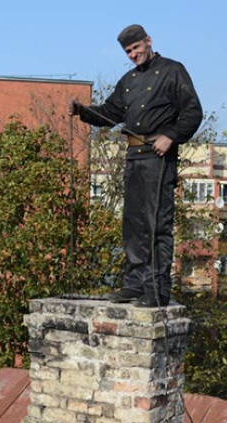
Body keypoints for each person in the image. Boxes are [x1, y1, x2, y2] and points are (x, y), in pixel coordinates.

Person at [69, 24, 202, 307]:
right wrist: (83, 112)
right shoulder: (128, 81)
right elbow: (109, 114)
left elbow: (193, 111)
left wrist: (171, 137)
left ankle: (156, 290)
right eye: (128, 51)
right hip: (133, 158)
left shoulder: (172, 71)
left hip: (159, 157)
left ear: (148, 41)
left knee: (156, 224)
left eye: (136, 48)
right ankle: (134, 285)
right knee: (133, 225)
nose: (133, 54)